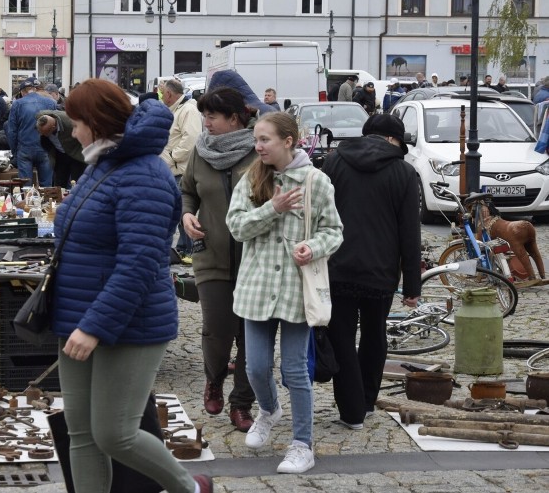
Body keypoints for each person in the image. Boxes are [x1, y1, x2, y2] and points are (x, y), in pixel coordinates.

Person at [51, 78, 213, 493]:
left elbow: (140, 264)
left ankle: (188, 488)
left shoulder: (145, 174)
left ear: (96, 121)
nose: (72, 131)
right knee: (82, 432)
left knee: (115, 433)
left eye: (76, 122)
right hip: (79, 314)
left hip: (130, 322)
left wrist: (94, 327)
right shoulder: (103, 162)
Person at [226, 112, 342, 474]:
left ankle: (302, 445)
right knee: (256, 366)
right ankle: (269, 409)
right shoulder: (252, 178)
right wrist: (271, 209)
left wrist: (313, 247)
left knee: (295, 371)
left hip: (295, 289)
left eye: (265, 140)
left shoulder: (316, 182)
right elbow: (236, 227)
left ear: (288, 141)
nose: (257, 146)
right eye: (256, 140)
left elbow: (333, 231)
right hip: (257, 288)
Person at [321, 113, 420, 429]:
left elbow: (318, 213)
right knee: (375, 333)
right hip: (381, 270)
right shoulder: (404, 173)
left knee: (342, 337)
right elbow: (409, 233)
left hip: (338, 265)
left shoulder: (334, 163)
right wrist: (412, 285)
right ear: (394, 140)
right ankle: (365, 400)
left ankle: (351, 411)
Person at [179, 87, 258, 432]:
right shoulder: (201, 150)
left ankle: (241, 403)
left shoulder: (259, 151)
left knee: (250, 335)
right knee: (216, 329)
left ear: (234, 118)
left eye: (212, 116)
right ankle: (214, 380)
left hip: (254, 258)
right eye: (204, 115)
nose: (206, 122)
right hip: (210, 253)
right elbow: (188, 190)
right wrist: (186, 215)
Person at [159, 77, 203, 255]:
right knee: (179, 211)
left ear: (169, 94)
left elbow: (191, 139)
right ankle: (184, 248)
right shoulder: (178, 109)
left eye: (162, 93)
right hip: (175, 168)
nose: (161, 97)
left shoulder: (188, 110)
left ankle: (188, 248)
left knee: (183, 210)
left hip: (181, 169)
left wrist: (171, 157)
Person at [6, 77, 56, 186]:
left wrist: (15, 151)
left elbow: (11, 131)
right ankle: (48, 201)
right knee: (46, 186)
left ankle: (27, 202)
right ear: (35, 89)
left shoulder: (17, 104)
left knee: (26, 186)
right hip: (45, 148)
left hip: (24, 148)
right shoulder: (50, 102)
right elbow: (56, 127)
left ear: (23, 92)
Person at [36, 111, 86, 186]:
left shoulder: (70, 123)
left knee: (77, 182)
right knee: (59, 182)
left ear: (53, 127)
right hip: (60, 154)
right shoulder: (42, 118)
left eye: (46, 133)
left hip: (75, 153)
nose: (43, 135)